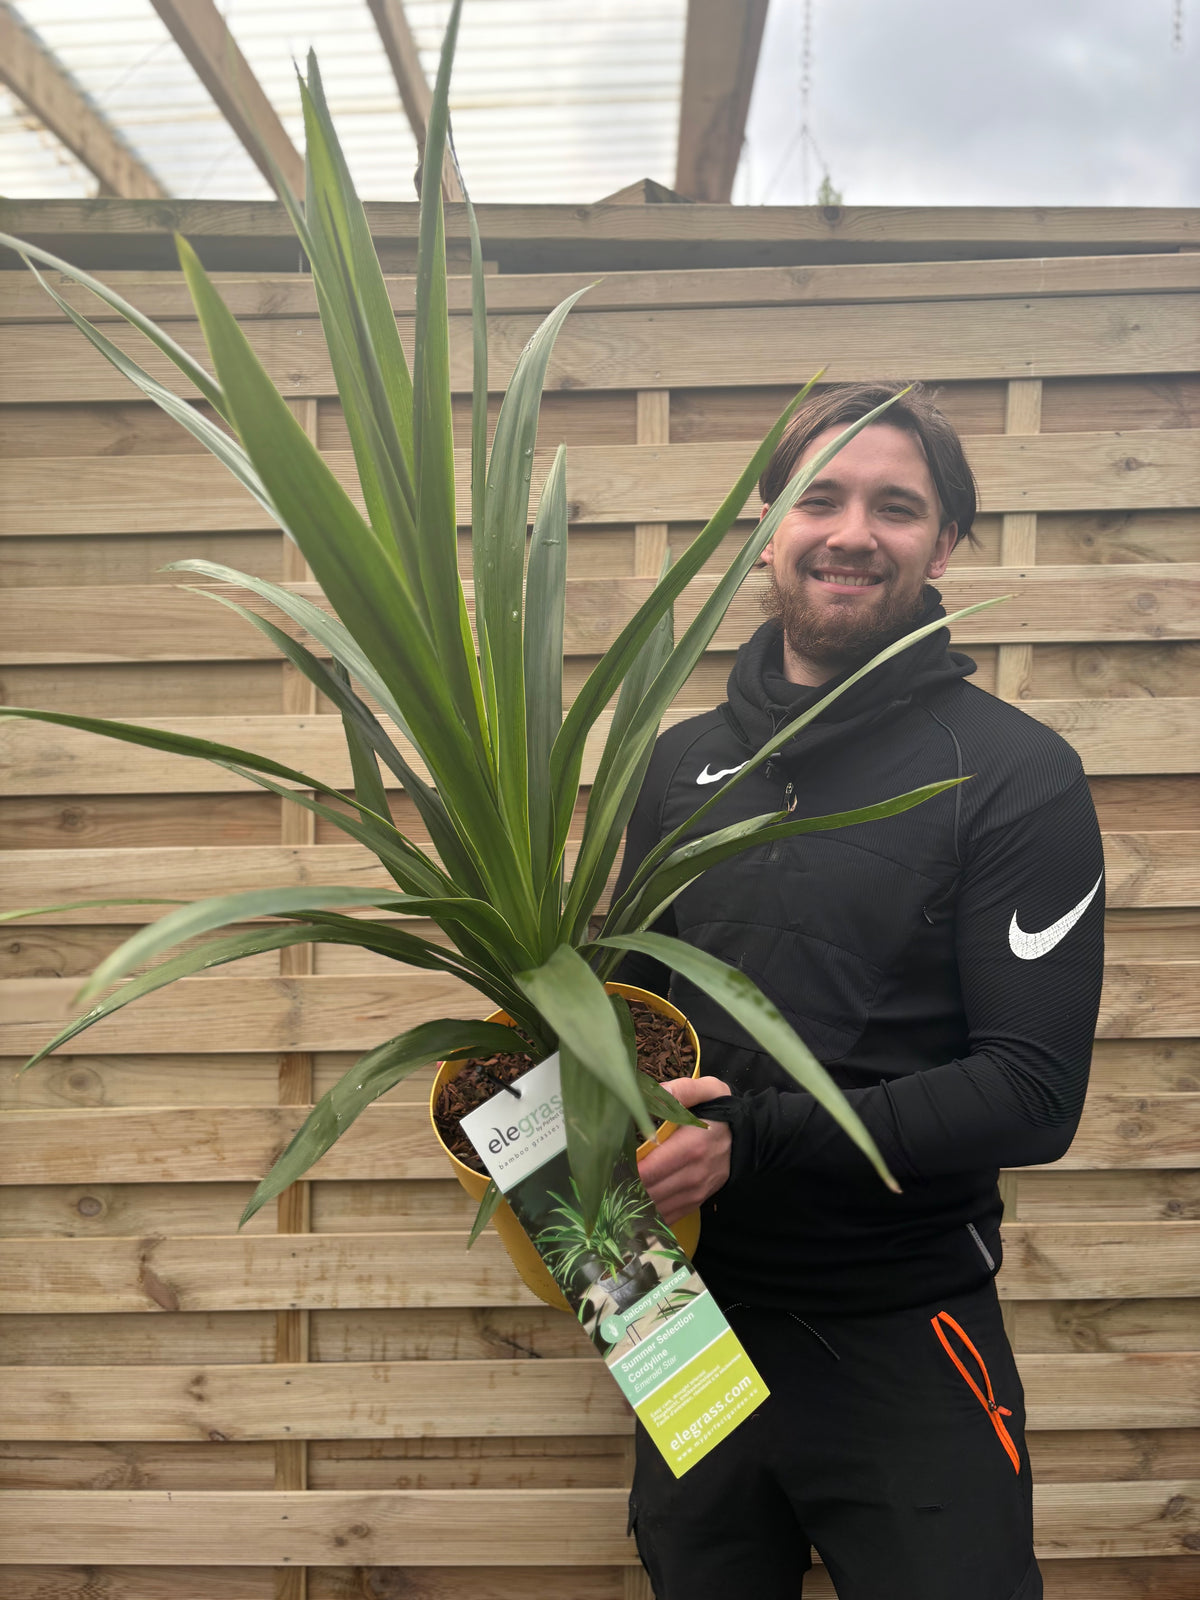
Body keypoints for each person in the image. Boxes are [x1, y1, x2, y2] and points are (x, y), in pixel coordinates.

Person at [617, 381, 1106, 1600]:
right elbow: (628, 1017)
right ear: (768, 527)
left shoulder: (1014, 774)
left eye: (896, 506)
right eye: (818, 497)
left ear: (943, 546)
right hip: (684, 1322)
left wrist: (752, 1142)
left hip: (905, 1328)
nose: (851, 530)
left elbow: (1033, 1093)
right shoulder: (680, 767)